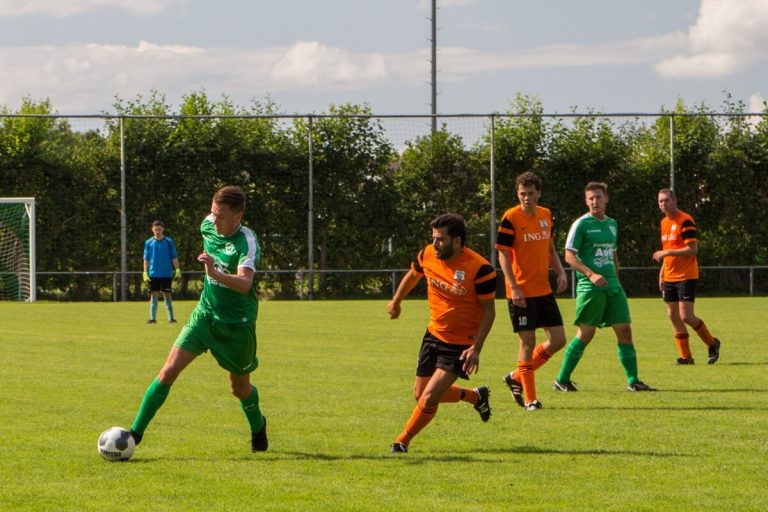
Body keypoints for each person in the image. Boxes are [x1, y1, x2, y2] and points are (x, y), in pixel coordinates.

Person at [129, 185, 268, 453]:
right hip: (204, 316)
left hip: (236, 326)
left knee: (239, 389)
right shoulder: (208, 224)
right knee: (168, 371)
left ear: (238, 216)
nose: (214, 221)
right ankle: (134, 435)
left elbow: (244, 282)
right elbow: (208, 226)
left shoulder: (247, 241)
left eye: (221, 216)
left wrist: (215, 273)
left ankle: (258, 426)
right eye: (213, 213)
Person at [387, 213, 496, 454]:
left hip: (460, 344)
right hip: (433, 334)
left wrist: (476, 348)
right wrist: (396, 301)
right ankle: (476, 397)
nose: (435, 244)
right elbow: (414, 274)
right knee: (420, 394)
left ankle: (401, 441)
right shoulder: (427, 254)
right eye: (433, 238)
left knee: (428, 398)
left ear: (457, 241)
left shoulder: (480, 269)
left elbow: (490, 311)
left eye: (440, 239)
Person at [554, 182, 656, 392]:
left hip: (613, 285)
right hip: (590, 287)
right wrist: (591, 274)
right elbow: (569, 256)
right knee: (586, 333)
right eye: (590, 198)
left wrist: (616, 276)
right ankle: (562, 379)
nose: (595, 201)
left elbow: (613, 252)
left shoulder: (612, 224)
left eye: (598, 197)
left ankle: (633, 380)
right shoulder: (581, 224)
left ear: (606, 199)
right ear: (586, 201)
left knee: (624, 329)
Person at [496, 172, 569, 411]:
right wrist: (514, 286)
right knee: (528, 342)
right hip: (520, 292)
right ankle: (531, 399)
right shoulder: (510, 217)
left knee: (558, 340)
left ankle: (516, 376)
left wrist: (560, 272)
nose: (526, 198)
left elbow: (550, 250)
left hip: (543, 289)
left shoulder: (546, 215)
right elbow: (503, 253)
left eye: (529, 193)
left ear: (539, 193)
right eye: (521, 194)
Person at [653, 188, 721, 365]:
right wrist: (662, 273)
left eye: (666, 200)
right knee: (672, 315)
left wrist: (666, 252)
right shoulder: (663, 223)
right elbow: (668, 250)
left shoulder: (685, 220)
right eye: (660, 201)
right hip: (669, 275)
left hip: (686, 275)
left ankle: (712, 343)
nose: (663, 204)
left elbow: (693, 249)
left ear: (675, 201)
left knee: (686, 316)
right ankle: (686, 356)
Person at [143, 220, 181, 324]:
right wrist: (145, 272)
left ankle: (171, 318)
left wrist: (177, 270)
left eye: (159, 229)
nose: (158, 231)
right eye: (156, 229)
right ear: (152, 230)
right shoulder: (148, 242)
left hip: (166, 274)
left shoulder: (169, 242)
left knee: (167, 295)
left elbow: (174, 257)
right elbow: (146, 259)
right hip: (153, 274)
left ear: (163, 229)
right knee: (153, 296)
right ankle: (152, 318)